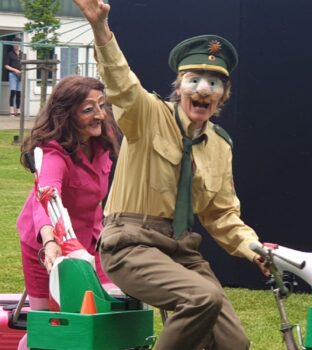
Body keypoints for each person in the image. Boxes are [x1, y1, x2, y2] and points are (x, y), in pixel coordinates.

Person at [74, 2, 270, 349]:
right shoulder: (146, 114)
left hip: (180, 249)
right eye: (194, 80)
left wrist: (253, 248)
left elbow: (222, 214)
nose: (203, 90)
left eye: (214, 83)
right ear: (179, 87)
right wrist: (101, 28)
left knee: (233, 341)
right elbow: (120, 82)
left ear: (224, 95)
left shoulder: (220, 146)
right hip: (130, 244)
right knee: (201, 298)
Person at [16, 75, 120, 350]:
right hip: (43, 243)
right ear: (67, 115)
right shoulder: (53, 153)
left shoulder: (104, 140)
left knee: (108, 312)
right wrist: (51, 242)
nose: (100, 115)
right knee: (49, 327)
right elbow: (46, 196)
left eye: (102, 105)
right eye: (89, 109)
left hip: (90, 242)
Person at [4, 37, 22, 117]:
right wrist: (15, 70)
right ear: (12, 45)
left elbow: (25, 65)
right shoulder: (10, 54)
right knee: (13, 92)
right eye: (14, 44)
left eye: (17, 43)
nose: (16, 45)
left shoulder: (22, 54)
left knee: (19, 93)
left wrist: (22, 71)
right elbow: (6, 66)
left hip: (20, 75)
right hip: (12, 75)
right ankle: (11, 111)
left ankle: (18, 110)